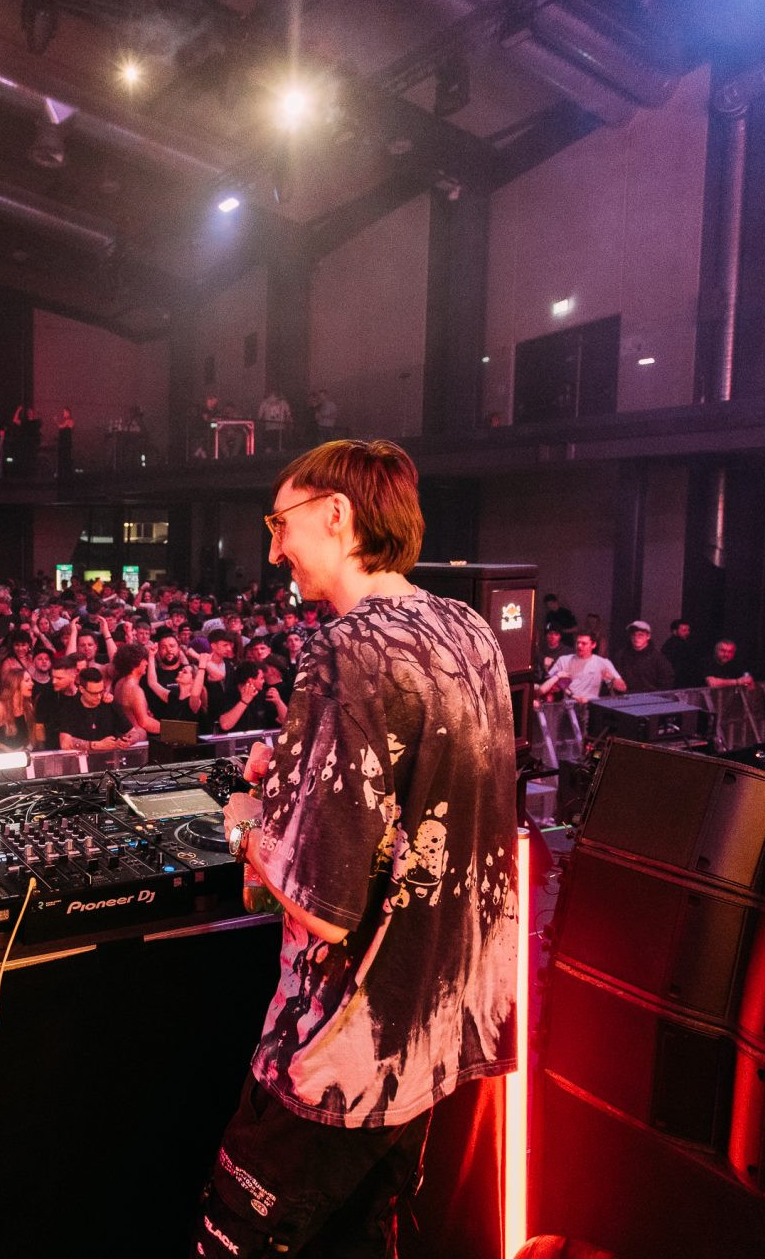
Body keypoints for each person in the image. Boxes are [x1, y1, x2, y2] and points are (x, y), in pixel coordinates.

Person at [195, 440, 518, 1257]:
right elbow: (421, 810)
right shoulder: (469, 628)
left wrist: (244, 822)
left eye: (280, 523)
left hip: (342, 1054)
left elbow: (325, 906)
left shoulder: (347, 648)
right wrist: (294, 785)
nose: (275, 551)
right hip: (436, 1038)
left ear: (336, 515)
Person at [54, 665, 138, 752]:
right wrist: (96, 745)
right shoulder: (70, 707)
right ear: (82, 689)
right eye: (93, 693)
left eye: (101, 692)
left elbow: (133, 732)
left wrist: (129, 740)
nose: (98, 697)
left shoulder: (109, 703)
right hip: (81, 758)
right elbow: (65, 743)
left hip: (109, 757)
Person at [539, 631, 628, 703]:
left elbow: (623, 688)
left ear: (593, 645)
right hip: (568, 705)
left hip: (591, 705)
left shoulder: (603, 662)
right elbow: (548, 683)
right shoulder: (563, 660)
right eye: (578, 643)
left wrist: (612, 679)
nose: (579, 646)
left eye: (584, 643)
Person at [663, 619, 705, 689]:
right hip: (679, 682)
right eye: (684, 630)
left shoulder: (672, 644)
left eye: (688, 630)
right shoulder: (676, 645)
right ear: (675, 632)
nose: (687, 633)